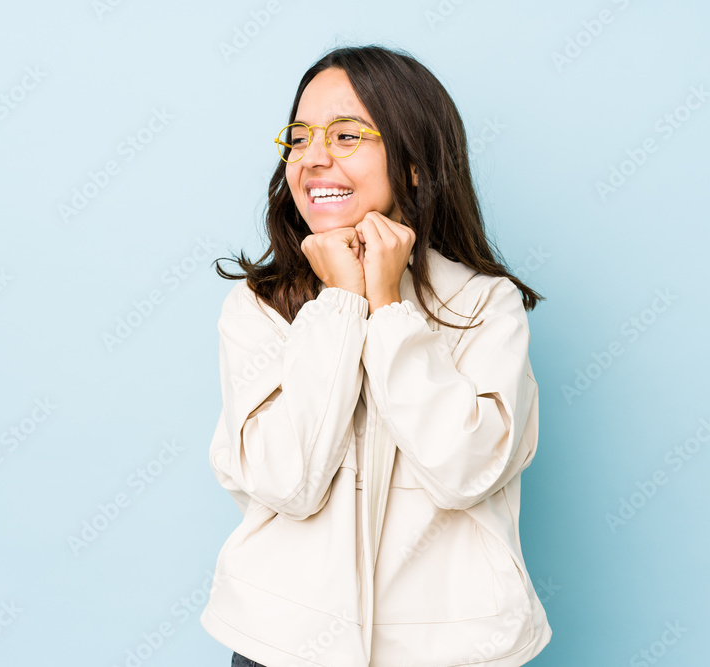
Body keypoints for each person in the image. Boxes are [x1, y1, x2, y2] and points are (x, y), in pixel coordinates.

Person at [201, 43, 551, 667]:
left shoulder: (483, 304)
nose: (312, 159)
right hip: (279, 648)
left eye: (345, 135)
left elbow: (462, 469)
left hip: (450, 651)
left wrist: (388, 308)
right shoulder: (258, 307)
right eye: (300, 136)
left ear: (415, 164)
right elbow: (288, 481)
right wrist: (338, 302)